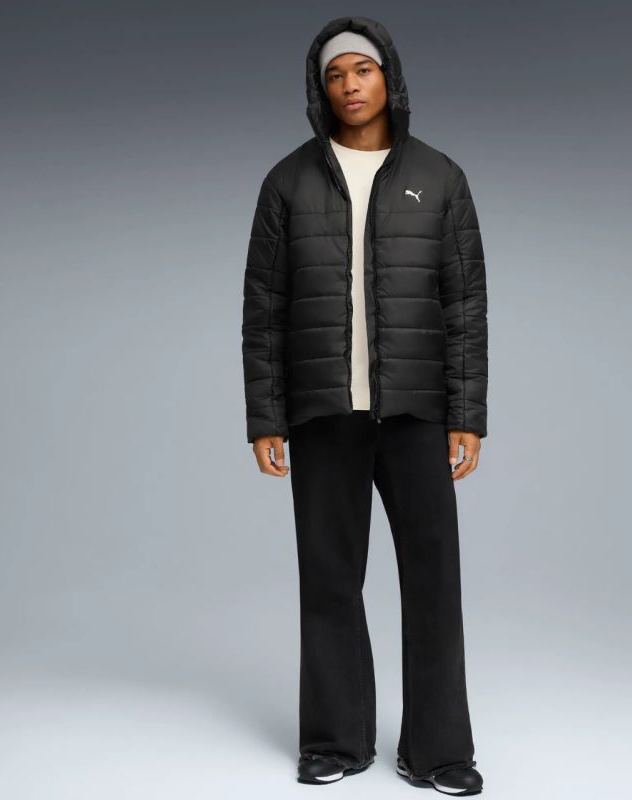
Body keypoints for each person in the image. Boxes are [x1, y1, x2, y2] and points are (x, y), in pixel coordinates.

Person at [241, 15, 488, 796]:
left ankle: (438, 750)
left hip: (416, 412)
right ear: (319, 90)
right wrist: (266, 416)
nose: (349, 85)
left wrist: (467, 413)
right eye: (335, 74)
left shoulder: (440, 177)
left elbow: (465, 305)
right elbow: (263, 310)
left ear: (390, 79)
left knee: (434, 580)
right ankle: (334, 740)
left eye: (363, 70)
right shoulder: (287, 183)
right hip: (322, 414)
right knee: (329, 577)